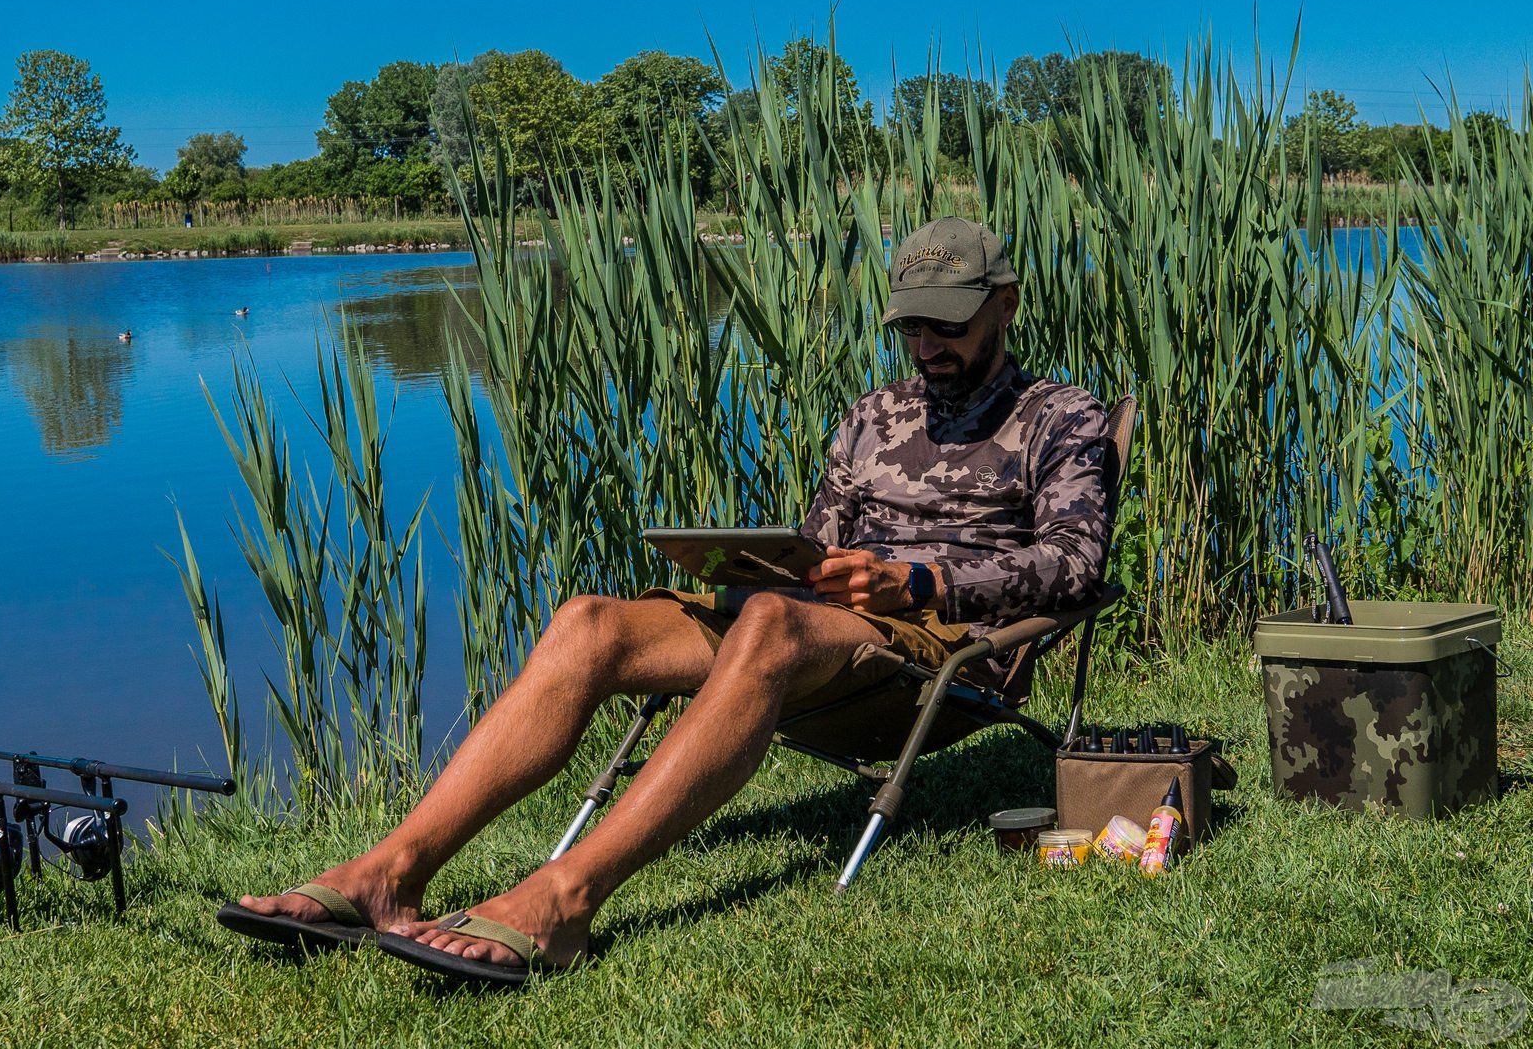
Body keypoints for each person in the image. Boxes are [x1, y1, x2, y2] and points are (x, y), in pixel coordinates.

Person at [225, 216, 1111, 980]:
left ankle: (564, 896)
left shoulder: (1060, 417)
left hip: (940, 645)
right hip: (823, 621)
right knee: (588, 622)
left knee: (767, 622)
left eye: (947, 325)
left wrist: (923, 579)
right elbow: (817, 544)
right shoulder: (872, 416)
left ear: (1007, 303)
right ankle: (391, 870)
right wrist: (759, 563)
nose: (927, 347)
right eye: (911, 326)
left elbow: (1075, 564)